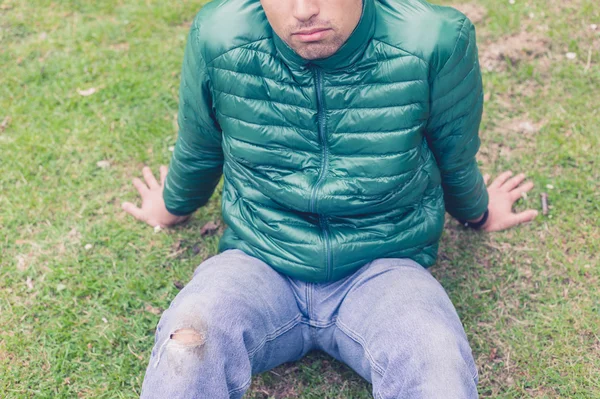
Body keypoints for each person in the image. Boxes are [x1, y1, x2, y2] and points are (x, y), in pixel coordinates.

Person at [122, 0, 538, 397]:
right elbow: (201, 144)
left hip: (385, 266)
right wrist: (172, 205)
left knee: (436, 359)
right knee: (188, 341)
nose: (303, 11)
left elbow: (454, 152)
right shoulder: (218, 34)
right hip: (258, 257)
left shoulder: (435, 39)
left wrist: (479, 214)